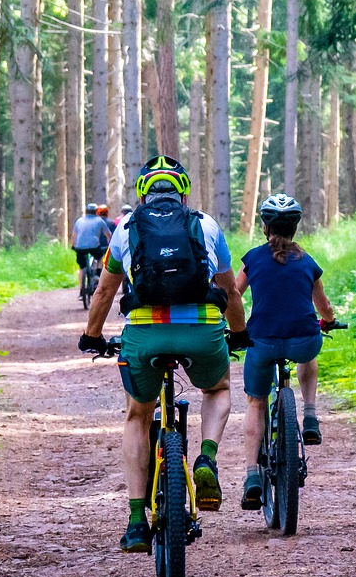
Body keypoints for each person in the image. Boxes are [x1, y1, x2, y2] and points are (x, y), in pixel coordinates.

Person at [79, 155, 249, 553]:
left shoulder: (125, 227)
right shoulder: (206, 225)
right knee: (218, 389)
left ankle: (137, 521)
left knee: (138, 415)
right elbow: (231, 291)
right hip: (202, 332)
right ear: (183, 190)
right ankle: (206, 458)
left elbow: (104, 291)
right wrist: (238, 334)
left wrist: (92, 336)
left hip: (146, 334)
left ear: (142, 194)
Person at [232, 194, 340, 510]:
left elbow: (233, 296)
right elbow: (323, 306)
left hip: (262, 341)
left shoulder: (252, 259)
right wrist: (329, 321)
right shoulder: (308, 262)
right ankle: (309, 414)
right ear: (295, 227)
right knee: (309, 353)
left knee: (256, 401)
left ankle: (252, 474)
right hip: (303, 338)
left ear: (264, 226)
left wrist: (233, 329)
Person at [71, 203, 113, 295]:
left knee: (82, 268)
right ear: (96, 212)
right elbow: (108, 234)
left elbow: (74, 235)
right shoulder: (100, 220)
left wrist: (73, 246)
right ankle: (97, 273)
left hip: (80, 247)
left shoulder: (79, 220)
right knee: (100, 257)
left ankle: (81, 291)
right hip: (94, 246)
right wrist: (110, 244)